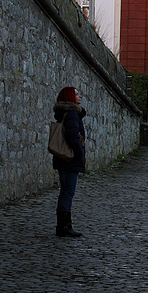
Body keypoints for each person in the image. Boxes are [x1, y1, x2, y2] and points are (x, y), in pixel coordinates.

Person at [53, 86, 86, 237]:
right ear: (70, 97)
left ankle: (62, 224)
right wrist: (79, 152)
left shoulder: (64, 113)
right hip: (69, 159)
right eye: (77, 94)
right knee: (68, 192)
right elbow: (73, 135)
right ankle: (64, 226)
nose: (80, 96)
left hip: (62, 159)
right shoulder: (72, 114)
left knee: (64, 191)